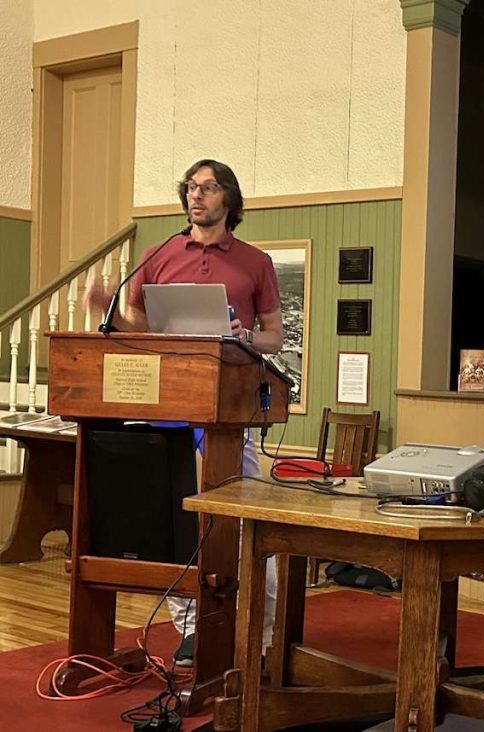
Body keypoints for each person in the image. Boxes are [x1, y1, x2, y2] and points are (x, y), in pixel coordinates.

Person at [84, 159, 283, 665]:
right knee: (171, 526)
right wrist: (105, 310)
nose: (198, 196)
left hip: (229, 416)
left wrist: (244, 337)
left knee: (241, 527)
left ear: (229, 200)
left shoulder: (254, 261)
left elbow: (275, 337)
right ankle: (192, 626)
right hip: (168, 412)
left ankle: (257, 637)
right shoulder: (158, 254)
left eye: (209, 188)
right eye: (191, 188)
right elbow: (139, 333)